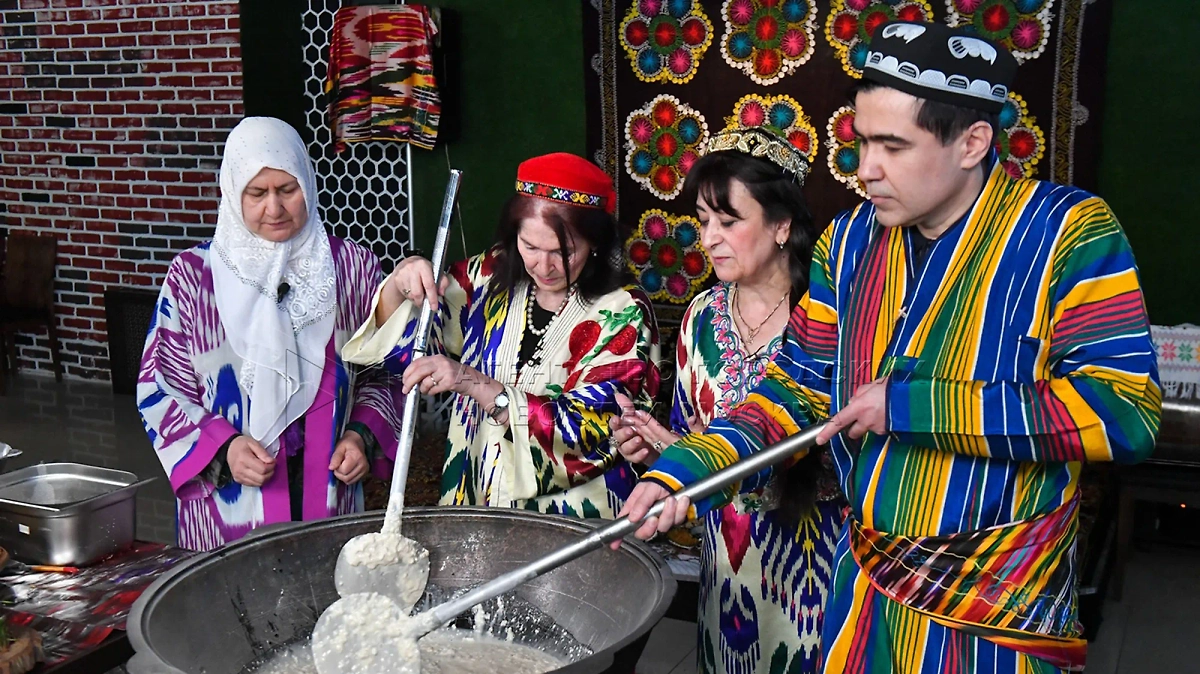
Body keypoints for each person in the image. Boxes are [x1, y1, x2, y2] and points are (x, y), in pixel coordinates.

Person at [620, 21, 1161, 674]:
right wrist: (684, 471)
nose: (864, 169)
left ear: (973, 142)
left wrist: (911, 405)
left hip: (999, 612)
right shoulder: (849, 244)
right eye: (862, 141)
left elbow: (1125, 414)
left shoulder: (1069, 234)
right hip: (864, 594)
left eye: (893, 146)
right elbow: (795, 386)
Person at [611, 121, 843, 674]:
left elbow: (854, 453)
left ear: (783, 225)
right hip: (726, 564)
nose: (708, 237)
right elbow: (693, 433)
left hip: (815, 562)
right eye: (703, 220)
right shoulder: (701, 315)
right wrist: (662, 454)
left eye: (729, 221)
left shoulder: (833, 317)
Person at [342, 152, 660, 518]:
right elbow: (410, 347)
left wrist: (473, 383)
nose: (543, 265)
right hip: (478, 490)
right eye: (530, 246)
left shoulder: (623, 310)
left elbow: (596, 428)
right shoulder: (489, 276)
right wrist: (404, 280)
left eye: (563, 252)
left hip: (577, 518)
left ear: (596, 243)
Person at [137, 117, 403, 552]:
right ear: (231, 193)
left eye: (288, 189)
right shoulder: (194, 277)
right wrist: (223, 450)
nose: (274, 209)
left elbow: (386, 371)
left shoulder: (351, 267)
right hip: (229, 507)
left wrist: (361, 434)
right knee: (233, 608)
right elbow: (160, 386)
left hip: (330, 492)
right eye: (257, 194)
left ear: (310, 185)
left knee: (330, 607)